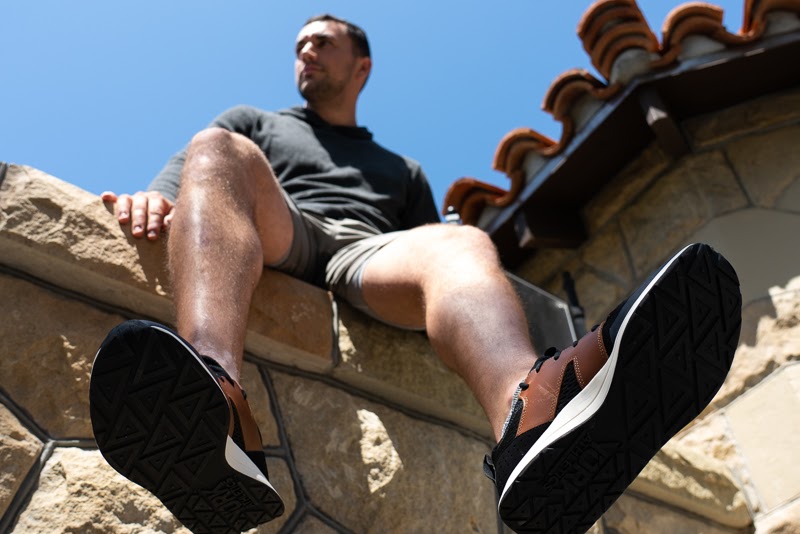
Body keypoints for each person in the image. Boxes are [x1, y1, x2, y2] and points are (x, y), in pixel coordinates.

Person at [88, 14, 742, 534]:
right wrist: (152, 194)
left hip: (364, 255)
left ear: (360, 65)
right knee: (215, 146)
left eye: (321, 42)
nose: (305, 54)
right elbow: (197, 186)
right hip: (282, 225)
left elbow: (437, 263)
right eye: (299, 46)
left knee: (456, 243)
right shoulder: (256, 123)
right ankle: (216, 398)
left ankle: (530, 415)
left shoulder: (401, 171)